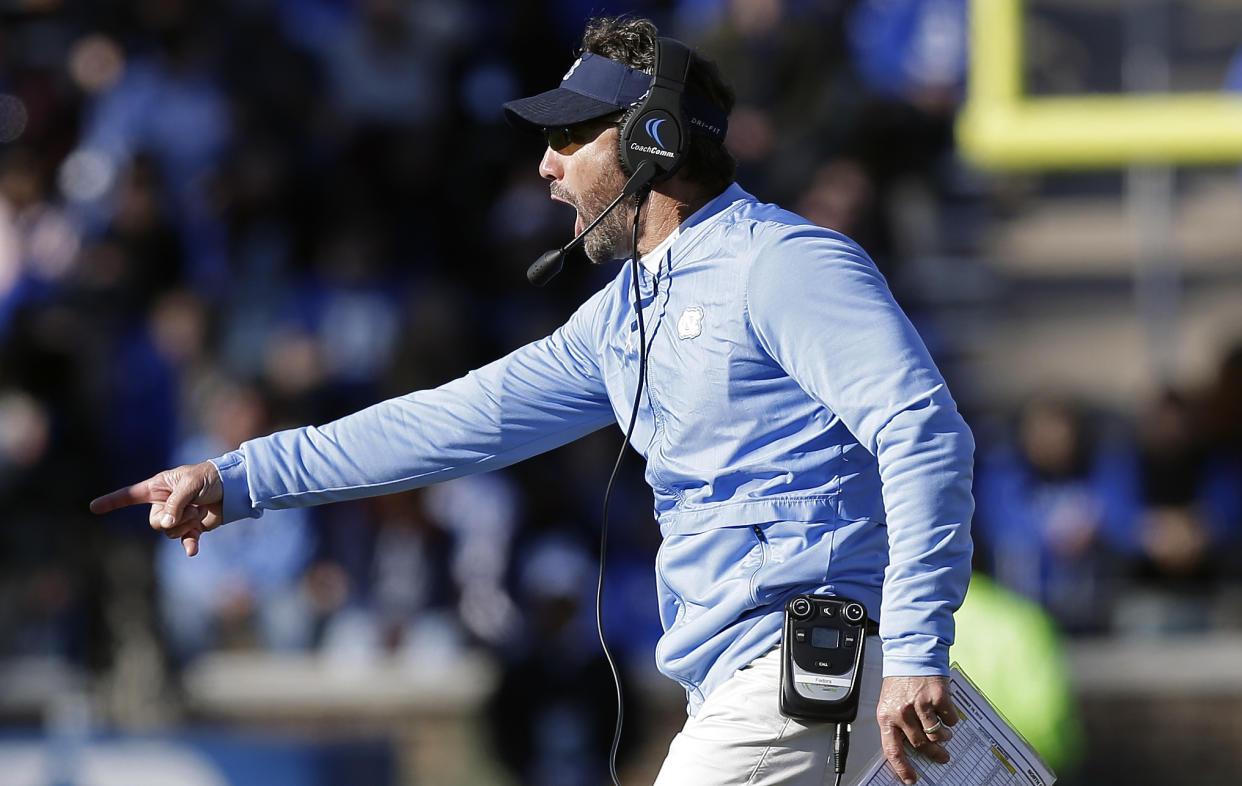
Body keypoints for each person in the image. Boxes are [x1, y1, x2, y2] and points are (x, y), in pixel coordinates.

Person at [91, 16, 974, 786]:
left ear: (653, 141)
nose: (547, 165)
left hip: (811, 669)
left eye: (571, 137)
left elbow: (923, 432)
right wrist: (239, 476)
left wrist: (919, 646)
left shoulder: (786, 263)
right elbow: (450, 422)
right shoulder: (622, 316)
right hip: (784, 682)